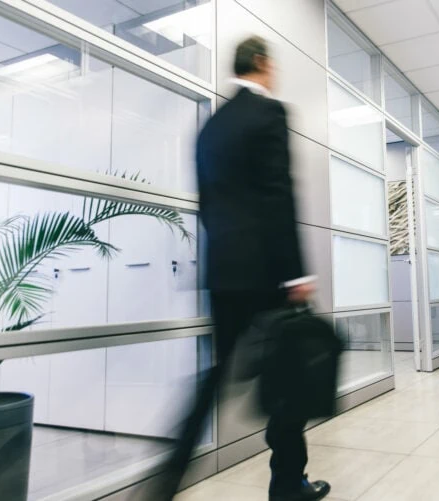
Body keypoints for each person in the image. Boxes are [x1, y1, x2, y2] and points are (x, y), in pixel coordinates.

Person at [160, 36, 331, 500]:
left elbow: (209, 206)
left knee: (216, 376)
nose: (274, 73)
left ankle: (165, 481)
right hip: (267, 276)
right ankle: (286, 486)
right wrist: (296, 274)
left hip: (223, 275)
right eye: (272, 64)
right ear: (260, 63)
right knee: (289, 381)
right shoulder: (269, 113)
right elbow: (279, 193)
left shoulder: (210, 127)